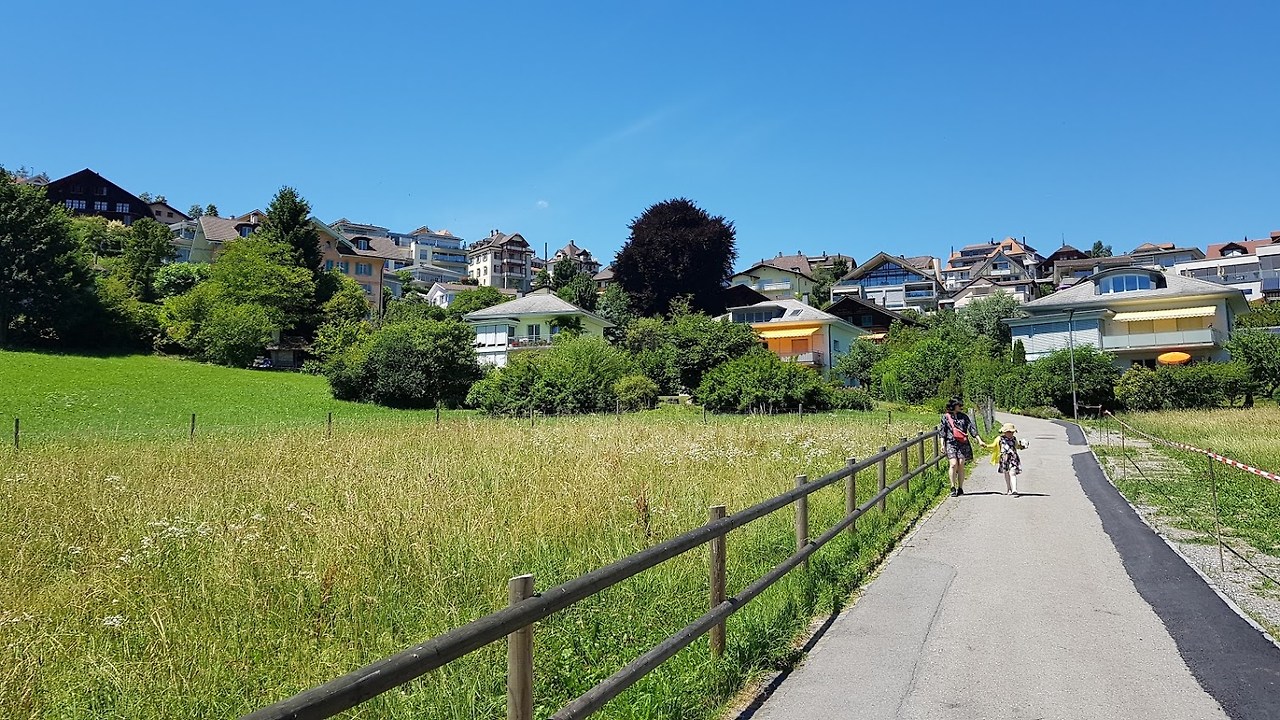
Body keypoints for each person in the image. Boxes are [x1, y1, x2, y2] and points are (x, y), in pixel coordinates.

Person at [940, 398, 982, 497]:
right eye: (959, 405)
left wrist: (979, 440)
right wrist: (942, 444)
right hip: (950, 442)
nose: (960, 407)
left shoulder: (963, 417)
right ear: (954, 405)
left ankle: (960, 488)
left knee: (961, 464)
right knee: (953, 464)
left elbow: (971, 428)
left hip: (963, 443)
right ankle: (952, 487)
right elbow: (942, 432)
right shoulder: (945, 417)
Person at [986, 422, 1027, 496]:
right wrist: (986, 445)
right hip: (1004, 458)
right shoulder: (1000, 439)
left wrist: (1022, 446)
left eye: (1012, 432)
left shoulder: (1014, 439)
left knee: (1012, 472)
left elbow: (1017, 446)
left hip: (1013, 457)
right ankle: (1009, 488)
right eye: (1008, 432)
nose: (1010, 433)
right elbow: (993, 445)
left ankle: (1014, 489)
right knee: (1006, 473)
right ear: (1004, 432)